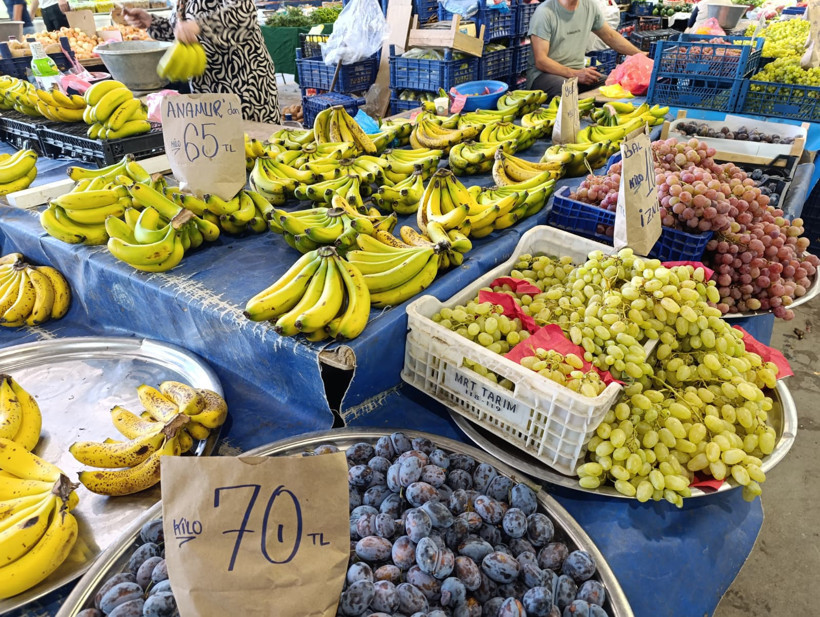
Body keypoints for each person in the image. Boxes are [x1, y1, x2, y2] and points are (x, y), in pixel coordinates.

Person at [123, 0, 281, 124]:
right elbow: (182, 32)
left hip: (243, 84)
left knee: (252, 150)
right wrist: (151, 21)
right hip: (208, 88)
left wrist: (199, 26)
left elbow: (244, 14)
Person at [527, 0, 643, 98]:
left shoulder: (589, 6)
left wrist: (641, 55)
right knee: (565, 88)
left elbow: (610, 36)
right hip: (544, 75)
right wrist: (575, 74)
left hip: (576, 73)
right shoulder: (544, 12)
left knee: (610, 85)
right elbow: (541, 61)